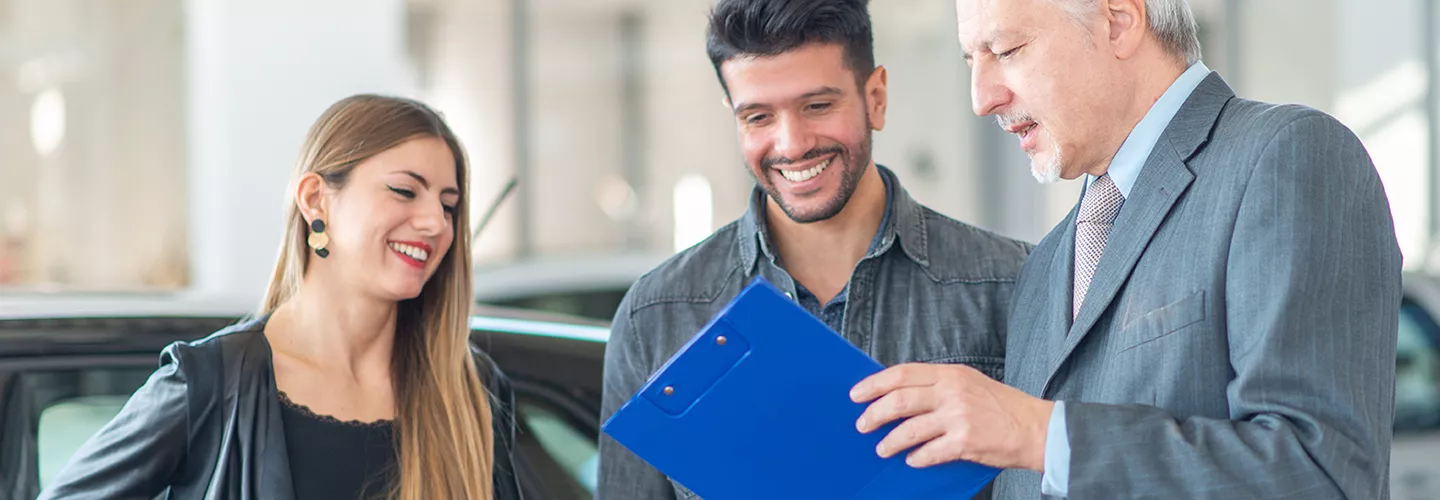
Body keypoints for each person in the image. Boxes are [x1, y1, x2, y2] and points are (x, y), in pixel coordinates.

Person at [850, 0, 1401, 498]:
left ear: (1119, 21)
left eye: (1007, 50)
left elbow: (1321, 474)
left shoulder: (1286, 158)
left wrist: (1038, 433)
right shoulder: (1045, 265)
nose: (982, 98)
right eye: (972, 60)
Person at [596, 0, 1031, 498]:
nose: (792, 144)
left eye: (818, 106)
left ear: (876, 98)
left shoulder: (1011, 285)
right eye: (758, 116)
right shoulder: (656, 315)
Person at [40, 95, 522, 500]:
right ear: (315, 199)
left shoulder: (472, 388)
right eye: (403, 191)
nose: (436, 223)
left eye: (448, 205)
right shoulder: (210, 383)